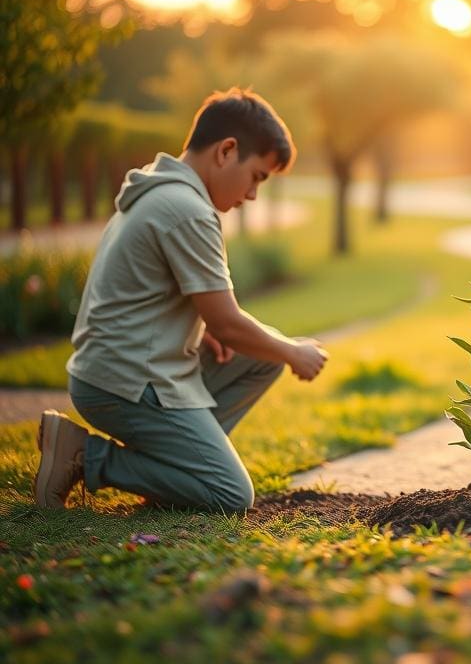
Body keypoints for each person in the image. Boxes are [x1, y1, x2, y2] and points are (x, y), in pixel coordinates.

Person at [33, 88, 328, 513]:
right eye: (257, 177)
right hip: (124, 382)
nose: (251, 196)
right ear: (227, 151)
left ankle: (176, 474)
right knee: (230, 494)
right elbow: (227, 323)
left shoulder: (160, 190)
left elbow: (169, 302)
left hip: (125, 369)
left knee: (262, 356)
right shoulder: (186, 209)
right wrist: (294, 352)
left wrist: (210, 331)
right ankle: (87, 456)